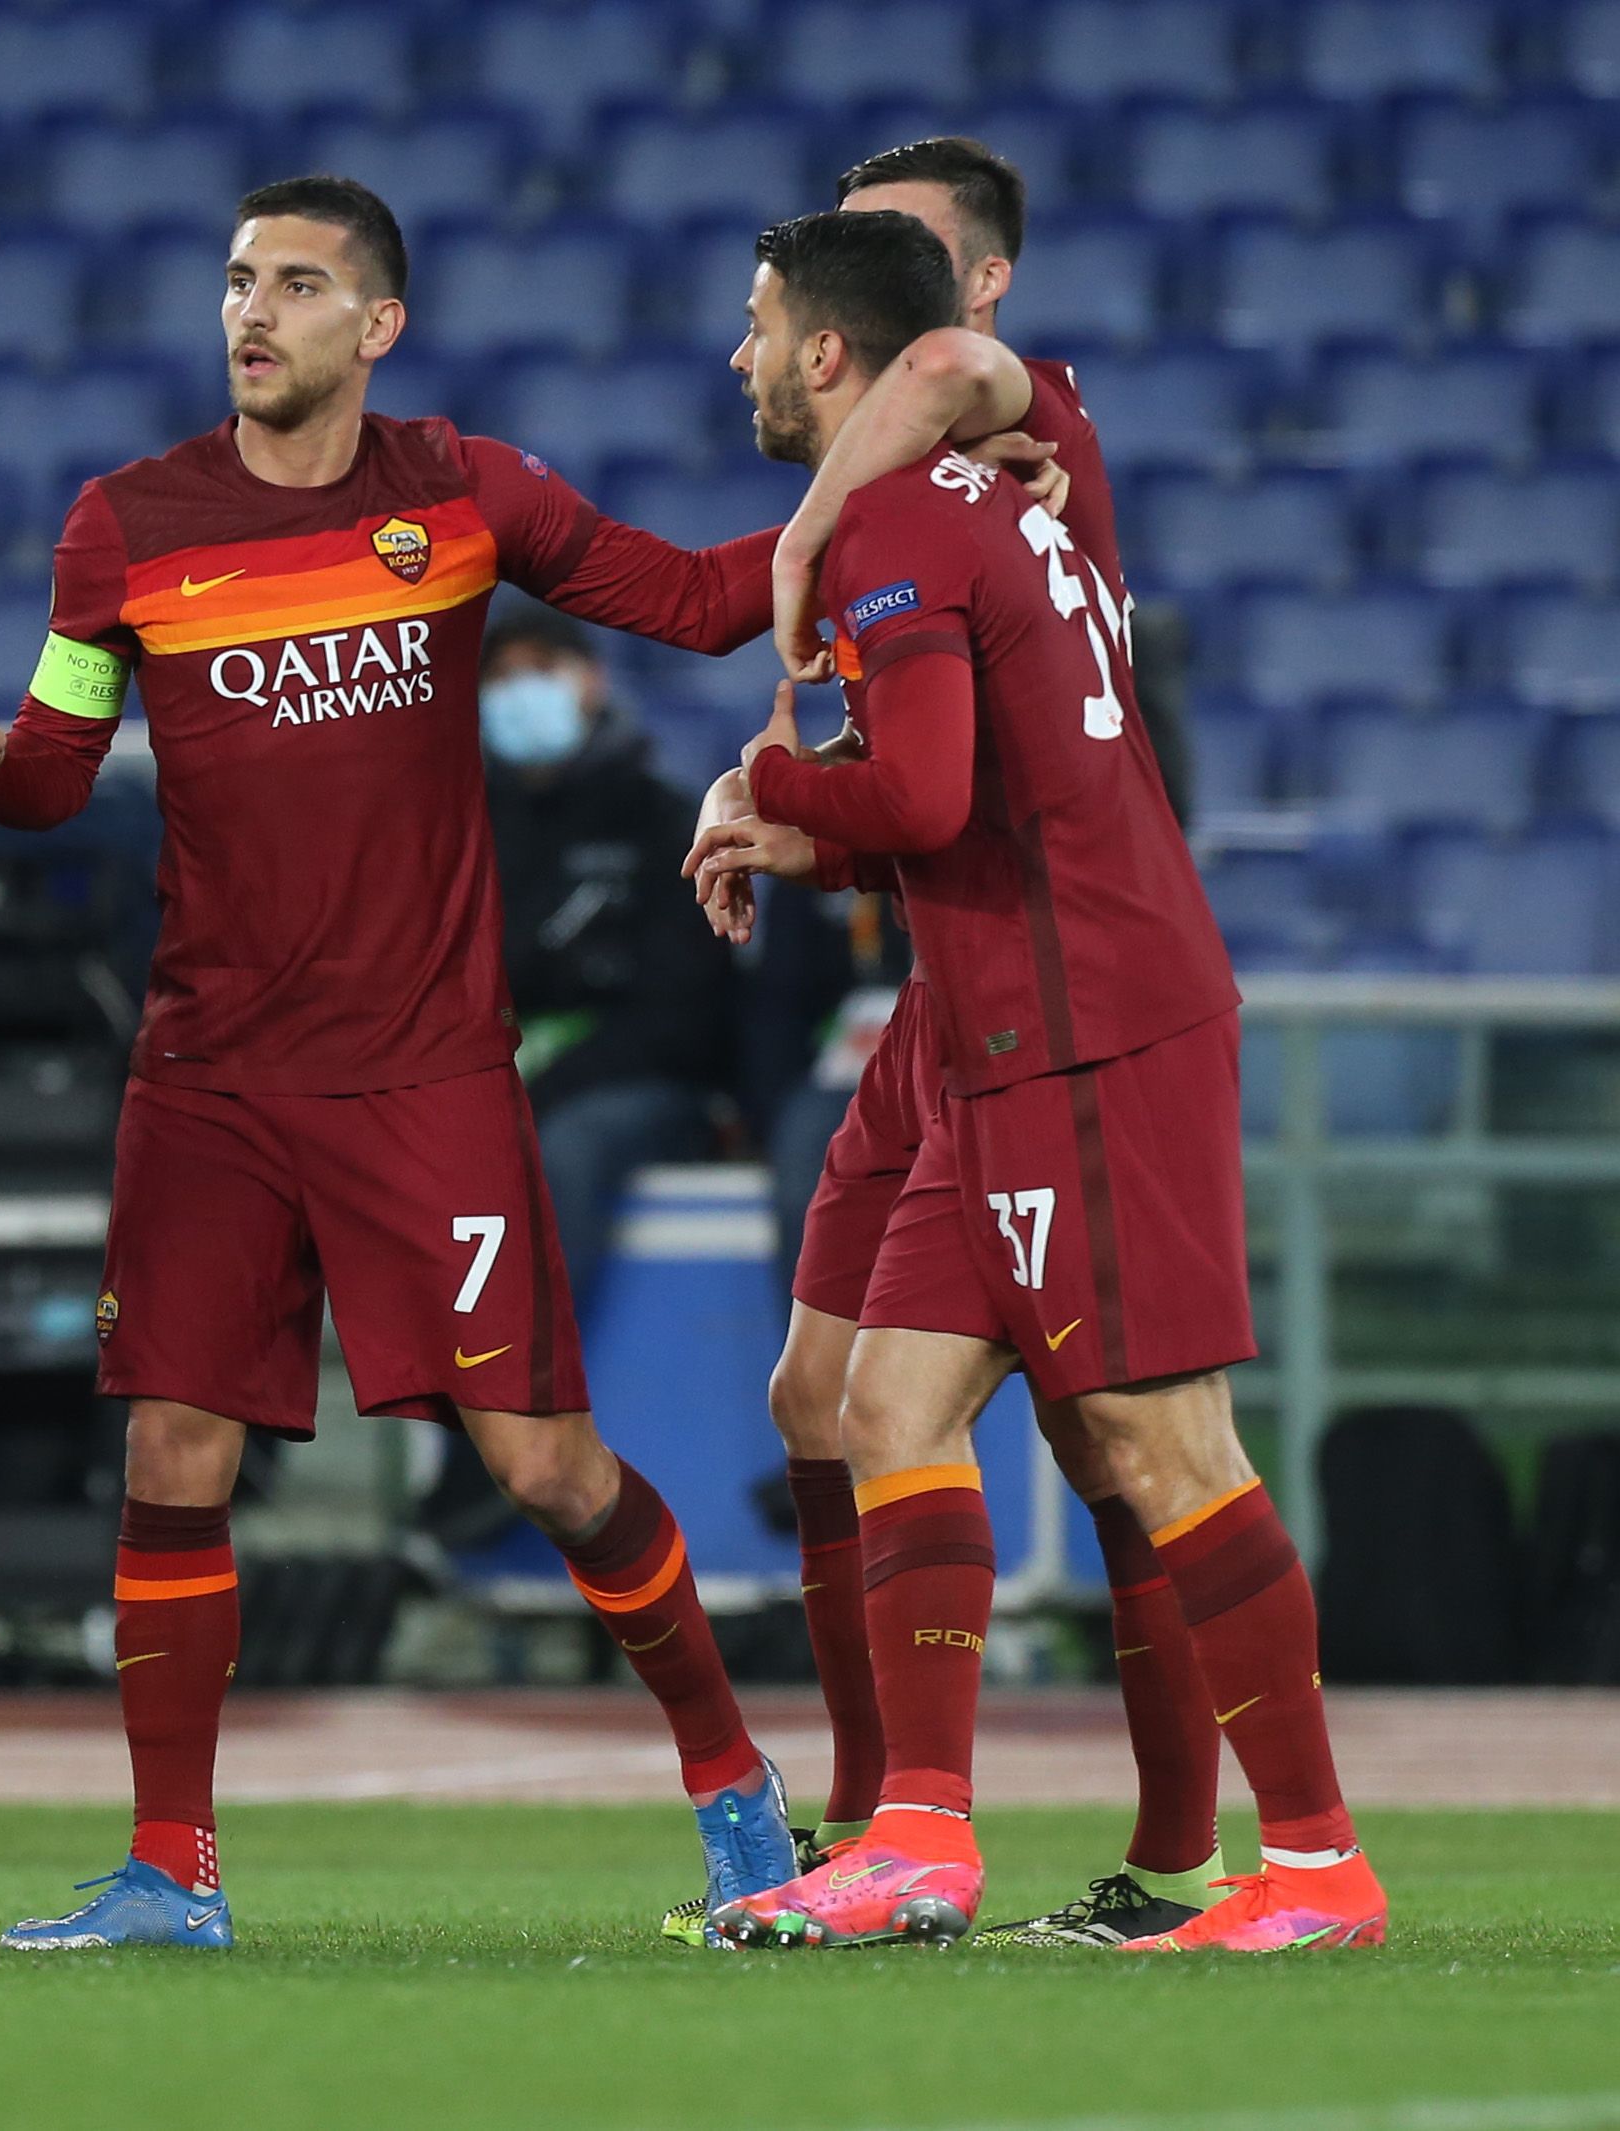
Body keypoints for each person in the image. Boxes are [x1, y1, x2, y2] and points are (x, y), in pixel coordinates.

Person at [0, 176, 804, 1952]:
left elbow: (705, 606)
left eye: (299, 285)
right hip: (211, 1077)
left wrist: (872, 501)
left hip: (425, 1078)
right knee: (174, 1447)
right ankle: (175, 1870)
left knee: (547, 1469)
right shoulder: (126, 526)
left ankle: (736, 1788)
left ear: (377, 326)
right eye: (238, 279)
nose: (254, 312)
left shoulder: (468, 491)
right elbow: (56, 766)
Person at [697, 208, 1381, 1954]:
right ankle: (919, 1837)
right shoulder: (1001, 486)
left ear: (830, 354)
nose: (741, 357)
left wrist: (781, 798)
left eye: (762, 327)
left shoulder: (896, 516)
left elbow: (917, 793)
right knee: (882, 1408)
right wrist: (805, 822)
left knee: (1160, 1441)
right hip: (1002, 1035)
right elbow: (971, 791)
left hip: (1087, 1025)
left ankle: (1312, 1866)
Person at [479, 602, 734, 1309]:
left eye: (541, 670)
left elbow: (683, 1013)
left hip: (638, 1086)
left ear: (590, 681)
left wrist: (544, 1083)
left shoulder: (659, 820)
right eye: (500, 677)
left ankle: (531, 1385)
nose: (519, 692)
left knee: (566, 1147)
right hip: (499, 1075)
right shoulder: (462, 826)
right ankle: (438, 1389)